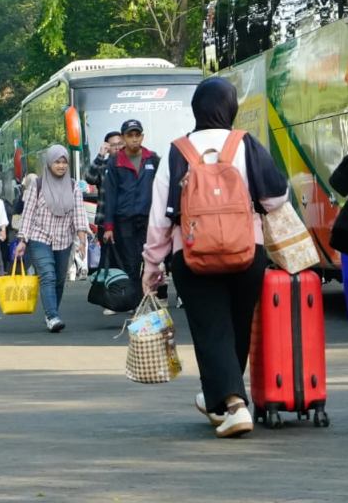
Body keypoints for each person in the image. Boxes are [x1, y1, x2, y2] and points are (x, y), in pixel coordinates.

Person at [142, 77, 289, 439]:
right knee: (237, 329)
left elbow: (160, 215)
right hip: (246, 252)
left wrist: (152, 264)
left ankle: (234, 405)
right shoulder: (246, 144)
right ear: (232, 107)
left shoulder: (178, 151)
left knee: (211, 331)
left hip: (192, 254)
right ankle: (221, 400)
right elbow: (276, 199)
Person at [14, 145, 89, 333]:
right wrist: (22, 240)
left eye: (64, 162)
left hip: (64, 239)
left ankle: (52, 310)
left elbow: (79, 216)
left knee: (59, 278)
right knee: (47, 275)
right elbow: (28, 214)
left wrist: (81, 242)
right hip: (39, 237)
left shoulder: (73, 186)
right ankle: (52, 316)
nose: (61, 166)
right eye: (57, 162)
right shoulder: (36, 185)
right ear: (49, 163)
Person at [103, 120, 161, 284]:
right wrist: (109, 226)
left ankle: (150, 296)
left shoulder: (152, 159)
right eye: (130, 135)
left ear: (142, 136)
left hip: (148, 218)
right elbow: (110, 194)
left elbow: (161, 190)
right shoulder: (115, 161)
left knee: (150, 260)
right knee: (131, 261)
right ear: (123, 138)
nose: (134, 139)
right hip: (124, 219)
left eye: (137, 135)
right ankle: (136, 302)